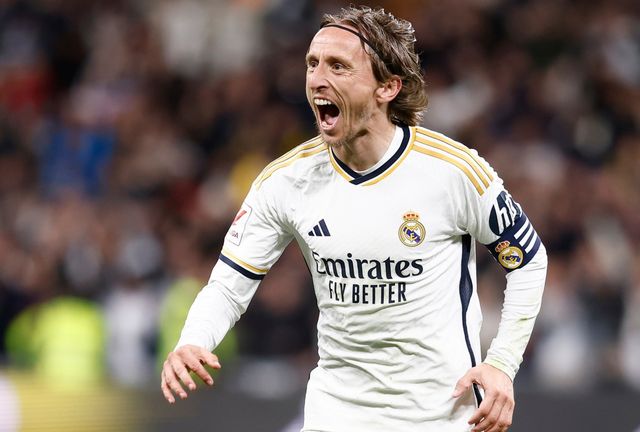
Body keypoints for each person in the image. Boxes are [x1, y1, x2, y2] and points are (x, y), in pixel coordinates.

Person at [160, 6, 547, 432]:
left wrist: (502, 364)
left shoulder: (452, 172)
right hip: (337, 414)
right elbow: (229, 285)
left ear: (387, 87)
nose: (316, 79)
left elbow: (528, 260)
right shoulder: (285, 182)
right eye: (312, 64)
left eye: (338, 66)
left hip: (442, 416)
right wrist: (193, 339)